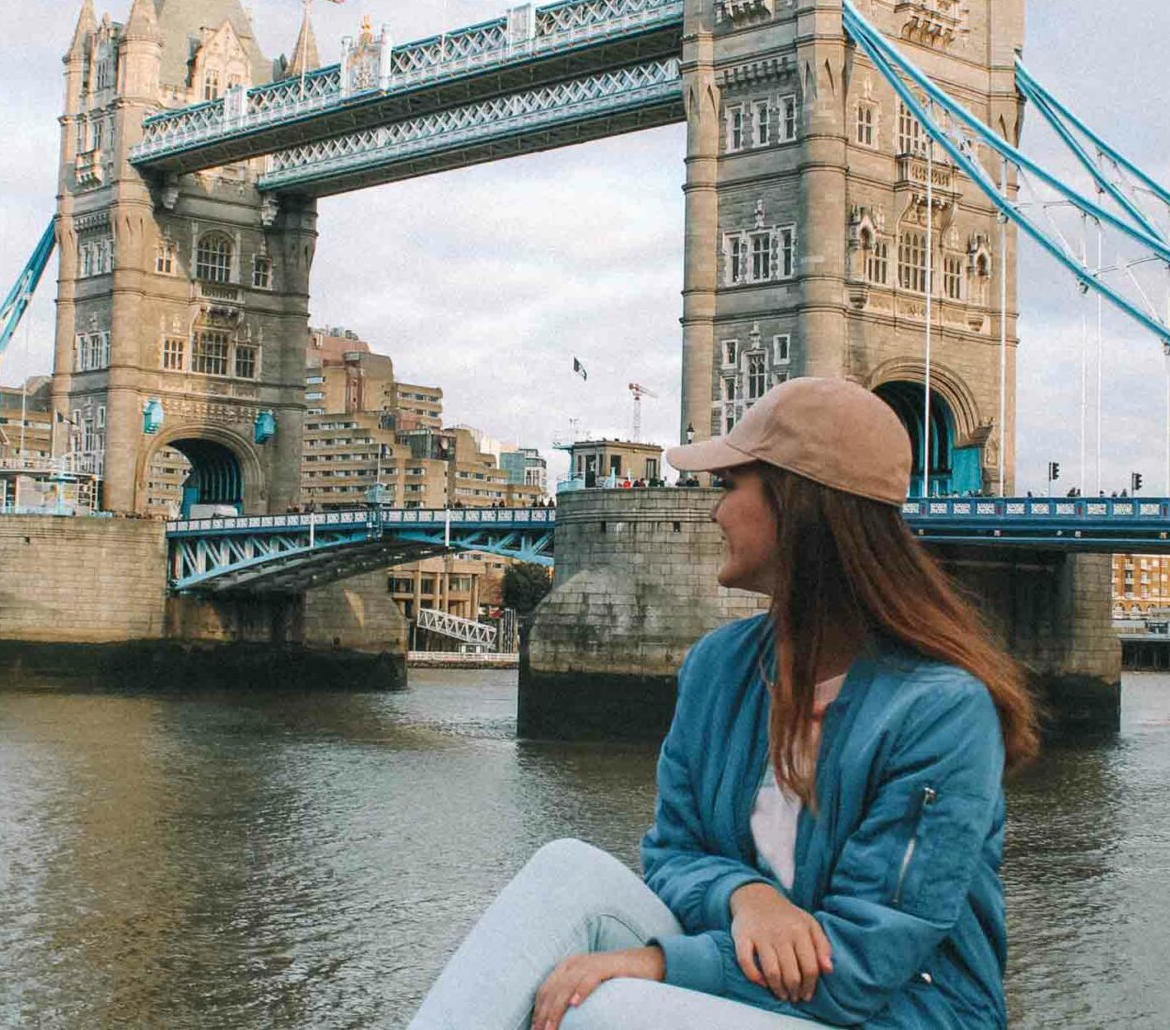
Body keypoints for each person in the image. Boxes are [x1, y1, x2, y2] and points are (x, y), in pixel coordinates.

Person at [407, 378, 1042, 1029]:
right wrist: (747, 894)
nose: (712, 511)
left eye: (729, 485)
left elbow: (861, 964)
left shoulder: (943, 713)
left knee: (604, 1004)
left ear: (794, 505)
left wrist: (661, 964)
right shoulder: (719, 667)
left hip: (899, 1013)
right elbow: (670, 854)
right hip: (762, 978)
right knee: (566, 870)